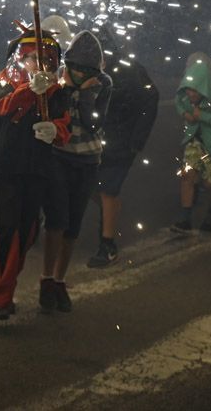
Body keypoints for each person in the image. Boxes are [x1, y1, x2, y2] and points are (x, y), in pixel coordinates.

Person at [0, 29, 70, 320]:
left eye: (45, 59)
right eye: (32, 58)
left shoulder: (57, 91)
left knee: (28, 230)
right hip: (8, 167)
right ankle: (0, 297)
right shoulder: (3, 82)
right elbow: (2, 107)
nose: (38, 64)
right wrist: (30, 90)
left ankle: (7, 288)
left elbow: (65, 126)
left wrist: (55, 131)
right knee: (7, 230)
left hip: (38, 170)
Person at [40, 31, 112, 313]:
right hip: (59, 156)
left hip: (88, 160)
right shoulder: (58, 77)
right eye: (76, 68)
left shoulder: (103, 83)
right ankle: (46, 278)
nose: (80, 74)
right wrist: (66, 89)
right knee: (56, 220)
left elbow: (94, 123)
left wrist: (83, 95)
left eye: (86, 70)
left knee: (72, 224)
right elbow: (55, 113)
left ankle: (60, 279)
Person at [87, 25, 159, 268]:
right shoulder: (87, 69)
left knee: (108, 188)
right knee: (91, 187)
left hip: (121, 141)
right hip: (94, 141)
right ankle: (110, 212)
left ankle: (107, 244)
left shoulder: (130, 70)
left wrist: (137, 139)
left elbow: (150, 98)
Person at [171, 53, 211, 233]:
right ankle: (185, 218)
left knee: (209, 183)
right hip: (195, 140)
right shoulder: (185, 94)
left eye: (195, 91)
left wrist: (203, 116)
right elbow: (178, 101)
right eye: (188, 90)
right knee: (187, 175)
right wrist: (185, 114)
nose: (190, 94)